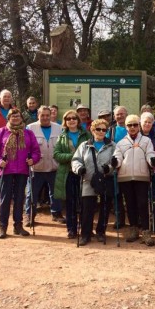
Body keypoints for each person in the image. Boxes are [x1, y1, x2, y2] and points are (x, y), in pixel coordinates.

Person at [0, 108, 41, 239]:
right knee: (5, 199)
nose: (15, 118)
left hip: (22, 170)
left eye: (18, 116)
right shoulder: (1, 132)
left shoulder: (28, 133)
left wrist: (32, 160)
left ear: (22, 118)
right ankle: (2, 227)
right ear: (9, 118)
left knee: (19, 198)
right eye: (13, 116)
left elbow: (36, 151)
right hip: (6, 170)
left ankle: (18, 226)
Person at [113, 115, 155, 246]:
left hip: (142, 176)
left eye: (135, 125)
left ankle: (145, 231)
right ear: (126, 127)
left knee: (143, 204)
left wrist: (152, 160)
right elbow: (118, 157)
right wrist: (115, 162)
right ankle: (133, 229)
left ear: (139, 126)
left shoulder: (146, 141)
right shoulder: (121, 143)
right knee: (130, 204)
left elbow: (150, 153)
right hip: (125, 177)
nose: (132, 128)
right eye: (129, 125)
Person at [71, 119, 116, 246]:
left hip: (106, 179)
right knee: (87, 208)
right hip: (88, 179)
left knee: (105, 207)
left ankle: (101, 232)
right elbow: (76, 160)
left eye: (104, 130)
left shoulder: (112, 145)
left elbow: (117, 160)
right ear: (92, 130)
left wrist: (110, 168)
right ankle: (86, 234)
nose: (101, 132)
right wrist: (79, 168)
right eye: (98, 129)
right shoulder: (84, 145)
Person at [53, 110, 92, 239]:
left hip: (83, 173)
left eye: (74, 118)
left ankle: (86, 229)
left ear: (78, 120)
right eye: (68, 118)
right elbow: (56, 154)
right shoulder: (62, 136)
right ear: (65, 121)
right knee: (71, 203)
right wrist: (73, 157)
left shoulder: (86, 134)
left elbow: (92, 151)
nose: (71, 120)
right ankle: (71, 229)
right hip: (68, 173)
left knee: (85, 203)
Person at [25, 105, 65, 225]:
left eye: (48, 115)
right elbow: (26, 147)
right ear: (38, 115)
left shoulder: (59, 128)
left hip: (54, 166)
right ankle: (29, 215)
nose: (45, 117)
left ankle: (57, 213)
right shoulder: (30, 128)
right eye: (43, 115)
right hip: (36, 168)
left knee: (55, 192)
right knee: (31, 193)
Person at [106, 105, 129, 228]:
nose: (120, 116)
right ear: (114, 117)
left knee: (130, 194)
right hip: (116, 167)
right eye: (117, 114)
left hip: (131, 165)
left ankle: (134, 220)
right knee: (117, 194)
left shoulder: (133, 127)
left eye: (122, 113)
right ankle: (120, 219)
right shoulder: (111, 130)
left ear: (126, 114)